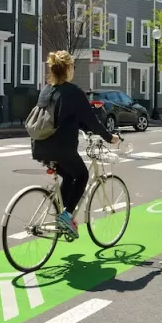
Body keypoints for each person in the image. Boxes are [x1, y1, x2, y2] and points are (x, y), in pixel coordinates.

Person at [31, 50, 120, 238]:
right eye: (72, 66)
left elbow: (62, 118)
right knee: (81, 175)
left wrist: (82, 126)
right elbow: (92, 121)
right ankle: (67, 215)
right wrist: (109, 137)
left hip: (40, 147)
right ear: (68, 68)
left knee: (68, 176)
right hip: (62, 148)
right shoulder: (74, 92)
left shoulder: (47, 90)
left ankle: (63, 216)